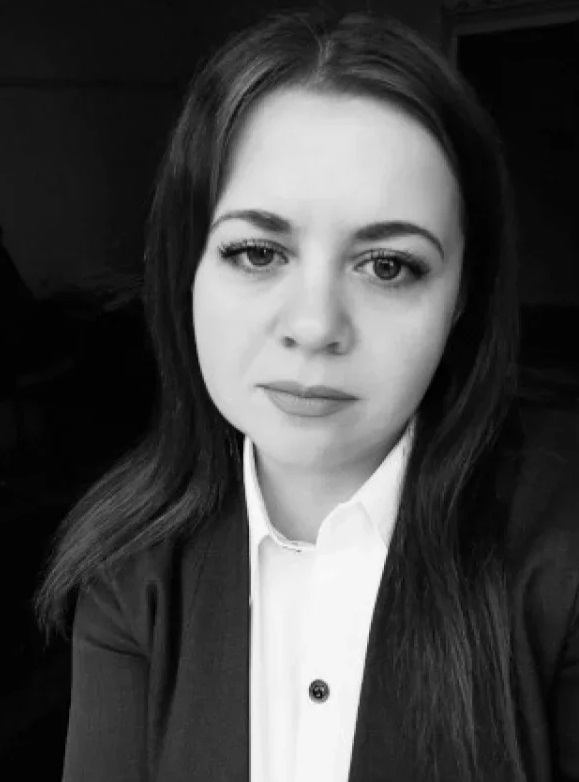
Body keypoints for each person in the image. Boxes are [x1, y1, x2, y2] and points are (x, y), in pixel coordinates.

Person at [33, 8, 579, 782]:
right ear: (186, 266)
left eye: (388, 266)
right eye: (258, 252)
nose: (315, 326)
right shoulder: (129, 572)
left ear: (462, 294)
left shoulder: (560, 559)